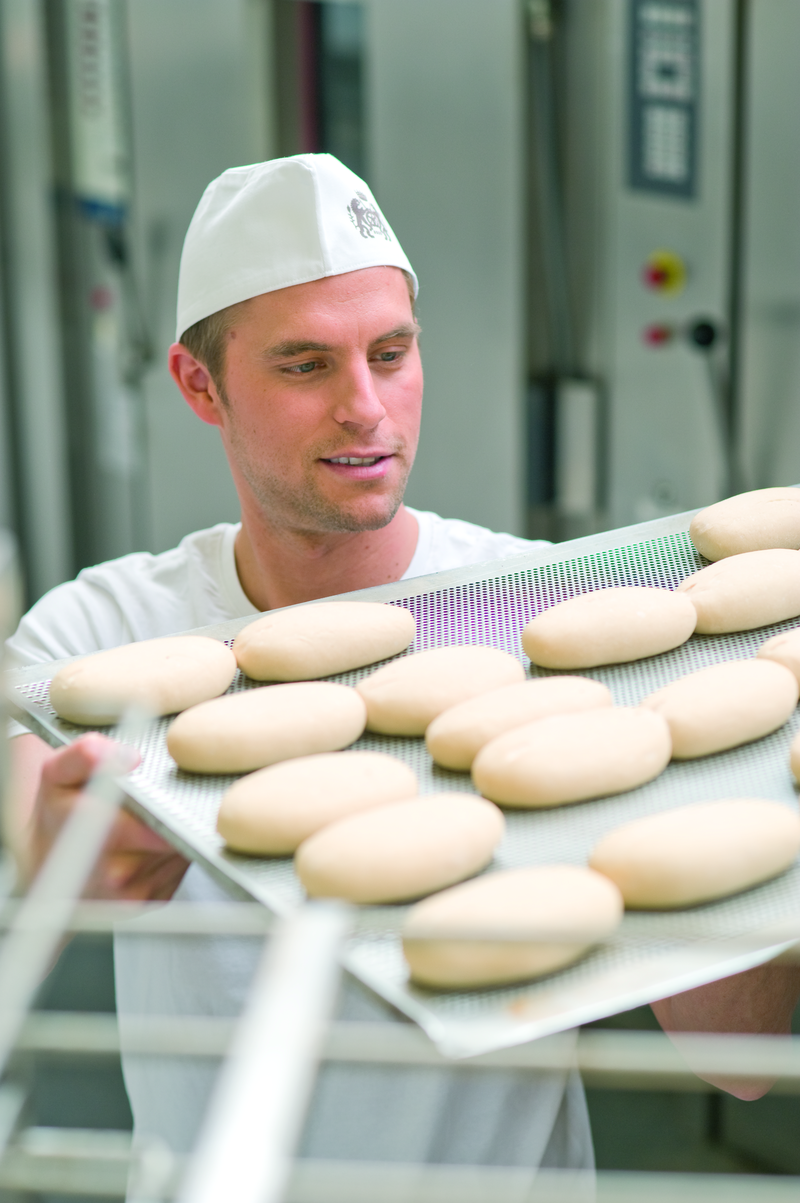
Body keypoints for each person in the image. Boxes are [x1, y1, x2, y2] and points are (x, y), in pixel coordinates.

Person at [7, 155, 799, 1169]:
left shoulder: (548, 620)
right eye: (305, 366)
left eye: (389, 353)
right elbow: (34, 822)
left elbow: (734, 1060)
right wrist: (62, 851)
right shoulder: (105, 634)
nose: (365, 408)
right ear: (199, 385)